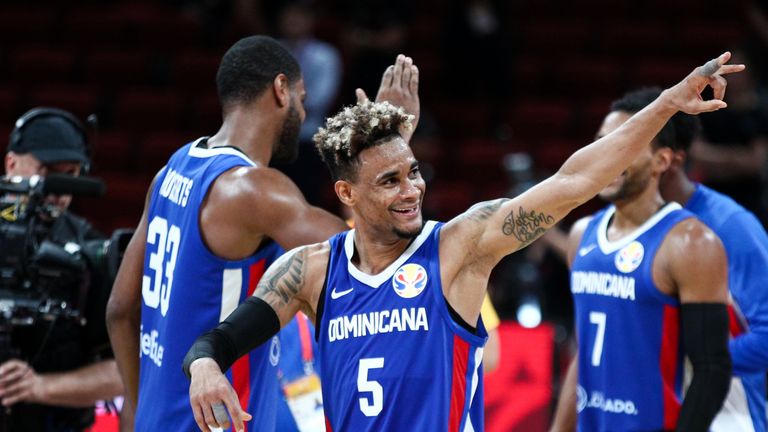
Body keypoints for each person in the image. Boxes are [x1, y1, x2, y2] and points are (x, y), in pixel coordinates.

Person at [183, 53, 742, 432]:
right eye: (390, 181)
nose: (412, 191)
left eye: (414, 172)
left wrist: (667, 103)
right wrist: (206, 366)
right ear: (346, 194)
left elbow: (576, 180)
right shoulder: (312, 270)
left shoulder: (458, 247)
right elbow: (219, 340)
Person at [105, 36, 420, 431]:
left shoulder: (171, 171)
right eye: (302, 99)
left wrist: (139, 411)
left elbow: (119, 309)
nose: (304, 113)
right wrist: (392, 147)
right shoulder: (253, 189)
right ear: (281, 89)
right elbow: (369, 256)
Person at [549, 87, 736, 432]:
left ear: (662, 161)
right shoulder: (581, 234)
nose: (608, 156)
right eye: (604, 143)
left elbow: (712, 370)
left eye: (625, 146)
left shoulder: (691, 242)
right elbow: (584, 353)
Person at [1, 107, 124, 431]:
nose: (57, 191)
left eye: (69, 174)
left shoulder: (91, 252)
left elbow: (122, 372)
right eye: (48, 171)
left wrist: (38, 387)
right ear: (11, 164)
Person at [654, 86, 768, 430]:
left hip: (728, 415)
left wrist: (693, 364)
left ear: (668, 158)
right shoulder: (626, 228)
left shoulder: (732, 226)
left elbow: (766, 337)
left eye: (626, 146)